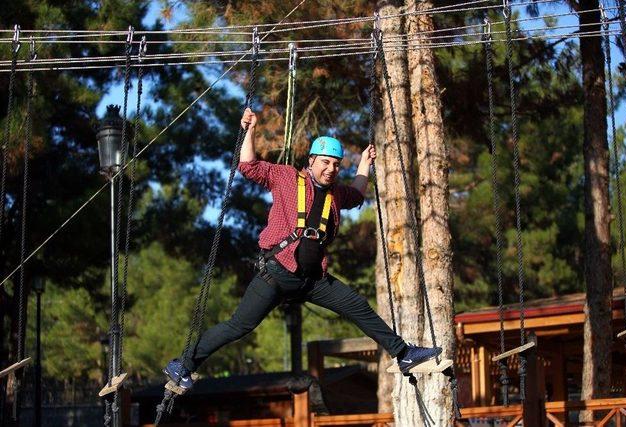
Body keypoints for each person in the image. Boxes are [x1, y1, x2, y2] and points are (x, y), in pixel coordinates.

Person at [164, 108, 441, 389]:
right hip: (276, 273)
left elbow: (357, 192)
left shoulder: (336, 194)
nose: (331, 169)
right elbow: (248, 166)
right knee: (239, 326)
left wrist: (364, 164)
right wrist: (250, 130)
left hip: (312, 280)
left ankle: (404, 354)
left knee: (357, 305)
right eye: (325, 162)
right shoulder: (286, 178)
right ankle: (182, 364)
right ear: (311, 161)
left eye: (336, 164)